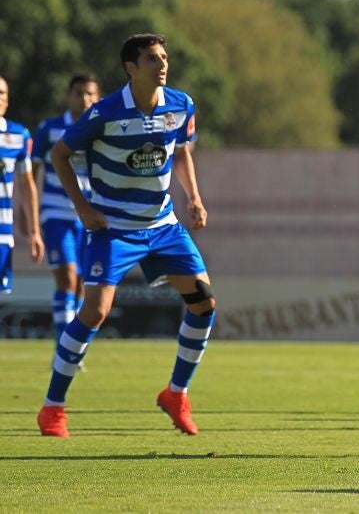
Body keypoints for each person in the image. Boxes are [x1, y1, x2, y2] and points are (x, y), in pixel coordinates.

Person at [37, 34, 214, 438]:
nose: (162, 64)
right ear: (131, 68)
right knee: (95, 312)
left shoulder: (181, 104)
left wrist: (194, 198)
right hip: (113, 227)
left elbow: (182, 148)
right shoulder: (105, 112)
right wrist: (83, 207)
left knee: (204, 305)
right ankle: (52, 408)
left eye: (164, 57)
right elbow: (60, 155)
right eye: (152, 59)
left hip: (163, 225)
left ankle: (176, 394)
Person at [32, 74, 101, 341]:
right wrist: (31, 216)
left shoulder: (100, 129)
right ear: (68, 96)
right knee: (68, 277)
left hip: (90, 215)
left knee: (85, 285)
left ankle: (73, 345)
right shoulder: (49, 129)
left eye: (90, 94)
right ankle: (64, 344)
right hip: (55, 212)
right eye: (79, 93)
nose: (85, 99)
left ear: (97, 97)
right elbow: (31, 173)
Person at [1, 74, 45, 293]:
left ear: (8, 100)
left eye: (2, 93)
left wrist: (34, 232)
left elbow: (27, 185)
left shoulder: (18, 135)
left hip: (2, 232)